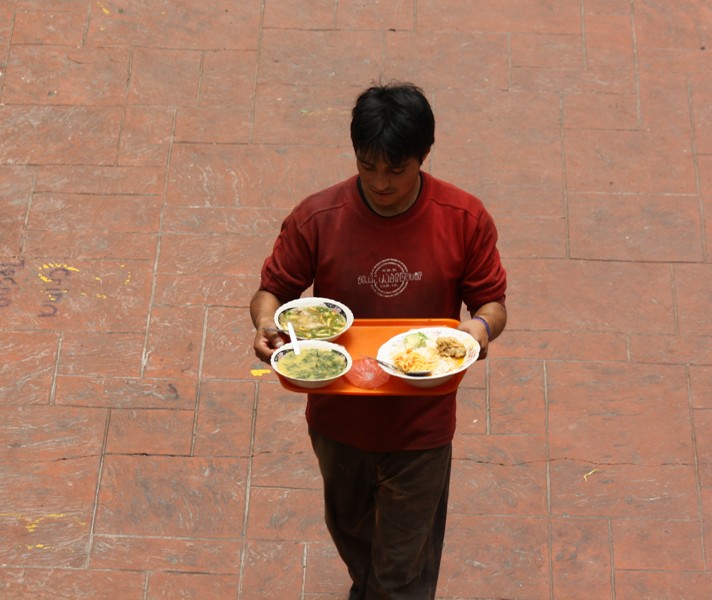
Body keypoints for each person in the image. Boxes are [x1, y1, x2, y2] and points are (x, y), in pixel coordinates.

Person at [250, 82, 507, 600]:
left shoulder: (464, 219)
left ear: (424, 156)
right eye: (368, 166)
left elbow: (491, 306)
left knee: (402, 567)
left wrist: (474, 335)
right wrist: (265, 324)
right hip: (337, 418)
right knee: (353, 537)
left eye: (396, 168)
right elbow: (272, 290)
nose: (381, 182)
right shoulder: (318, 217)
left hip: (422, 423)